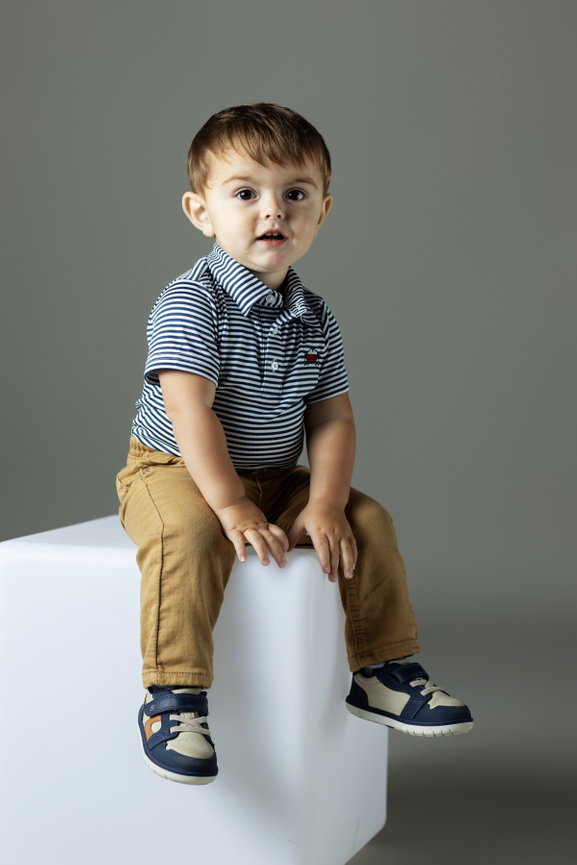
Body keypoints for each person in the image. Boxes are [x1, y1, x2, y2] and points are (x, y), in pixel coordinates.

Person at [116, 103, 473, 785]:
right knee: (188, 536)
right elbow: (189, 412)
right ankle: (173, 697)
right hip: (175, 468)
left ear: (322, 210)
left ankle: (382, 669)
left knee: (367, 520)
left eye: (294, 194)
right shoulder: (191, 302)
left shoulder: (315, 314)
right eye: (245, 193)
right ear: (200, 211)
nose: (270, 210)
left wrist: (327, 501)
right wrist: (229, 507)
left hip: (276, 473)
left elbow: (332, 418)